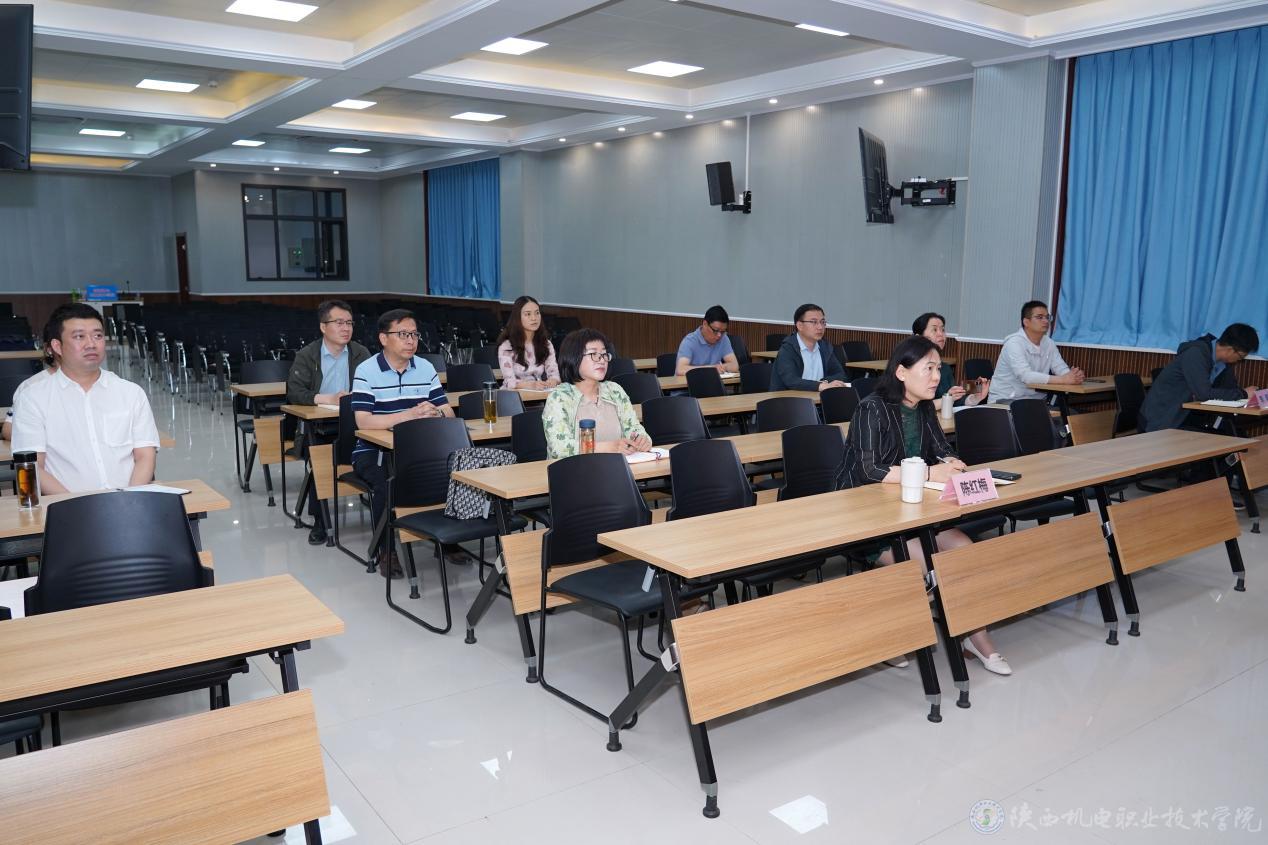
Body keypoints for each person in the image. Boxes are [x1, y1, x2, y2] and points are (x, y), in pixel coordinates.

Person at [837, 334, 1011, 676]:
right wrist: (931, 471)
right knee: (928, 566)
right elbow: (869, 470)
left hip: (916, 512)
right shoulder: (871, 408)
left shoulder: (925, 407)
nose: (936, 377)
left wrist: (951, 461)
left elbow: (938, 448)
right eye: (928, 368)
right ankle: (890, 638)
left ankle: (975, 637)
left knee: (964, 551)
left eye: (938, 369)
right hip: (871, 518)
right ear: (901, 372)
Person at [12, 303, 159, 493]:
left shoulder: (131, 393)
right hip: (66, 504)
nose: (91, 344)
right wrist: (75, 505)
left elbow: (145, 456)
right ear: (57, 346)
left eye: (98, 336)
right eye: (79, 337)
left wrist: (130, 499)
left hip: (128, 501)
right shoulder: (33, 398)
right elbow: (32, 467)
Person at [350, 309, 453, 577]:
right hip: (374, 451)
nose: (411, 340)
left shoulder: (425, 367)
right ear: (384, 338)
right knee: (387, 484)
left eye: (414, 334)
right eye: (403, 334)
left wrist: (436, 412)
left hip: (421, 450)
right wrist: (409, 415)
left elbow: (449, 413)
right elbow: (363, 421)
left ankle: (447, 540)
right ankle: (387, 550)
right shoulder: (366, 370)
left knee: (455, 474)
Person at [286, 300, 371, 545]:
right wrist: (328, 399)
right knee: (320, 457)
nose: (346, 328)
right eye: (339, 322)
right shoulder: (308, 355)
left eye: (349, 323)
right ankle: (320, 520)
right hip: (318, 426)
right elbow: (294, 392)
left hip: (356, 423)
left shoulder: (360, 353)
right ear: (323, 327)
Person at [542, 328, 652, 459]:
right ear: (574, 358)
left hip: (615, 467)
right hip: (573, 469)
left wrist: (642, 440)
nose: (601, 360)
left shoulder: (615, 391)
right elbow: (559, 448)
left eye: (604, 354)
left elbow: (634, 428)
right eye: (593, 354)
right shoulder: (559, 397)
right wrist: (609, 448)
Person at [1141, 323, 1260, 433]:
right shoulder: (1195, 354)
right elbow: (1203, 394)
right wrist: (1244, 393)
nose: (1239, 361)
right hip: (1163, 418)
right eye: (1241, 357)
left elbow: (1230, 389)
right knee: (1222, 437)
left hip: (1187, 416)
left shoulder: (1224, 363)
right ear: (1230, 349)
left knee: (1232, 433)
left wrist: (1244, 395)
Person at [988, 301, 1084, 403]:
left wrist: (1073, 376)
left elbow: (1060, 368)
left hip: (1036, 401)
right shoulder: (1014, 343)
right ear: (1026, 322)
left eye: (1047, 317)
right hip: (1006, 399)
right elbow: (1026, 376)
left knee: (1068, 412)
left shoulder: (1049, 343)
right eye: (1039, 317)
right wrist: (1063, 380)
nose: (1045, 321)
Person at [912, 312, 989, 406]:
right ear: (919, 337)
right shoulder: (912, 367)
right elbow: (913, 408)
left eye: (943, 330)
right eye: (934, 330)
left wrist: (976, 397)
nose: (941, 334)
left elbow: (956, 400)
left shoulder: (945, 368)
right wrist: (947, 399)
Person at [769, 304, 849, 392]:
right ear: (800, 326)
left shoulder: (825, 347)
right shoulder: (788, 349)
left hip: (816, 398)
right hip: (788, 399)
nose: (820, 327)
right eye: (814, 322)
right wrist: (820, 386)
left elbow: (840, 374)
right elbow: (791, 381)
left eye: (822, 322)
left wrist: (824, 383)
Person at [2, 331, 59, 441]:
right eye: (78, 337)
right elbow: (8, 430)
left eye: (94, 336)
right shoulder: (32, 385)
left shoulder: (96, 383)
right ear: (51, 348)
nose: (89, 344)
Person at [497, 296, 560, 389]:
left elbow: (554, 373)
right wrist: (531, 385)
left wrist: (553, 381)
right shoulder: (507, 346)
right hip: (513, 395)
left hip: (538, 392)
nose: (534, 318)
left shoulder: (546, 344)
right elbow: (509, 381)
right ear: (518, 318)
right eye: (528, 314)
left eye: (537, 313)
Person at [675, 305, 738, 376]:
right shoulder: (689, 341)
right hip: (688, 382)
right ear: (705, 324)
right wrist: (711, 369)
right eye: (716, 330)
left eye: (723, 331)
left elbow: (734, 366)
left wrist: (720, 368)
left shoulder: (723, 338)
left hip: (711, 381)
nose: (719, 335)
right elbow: (680, 369)